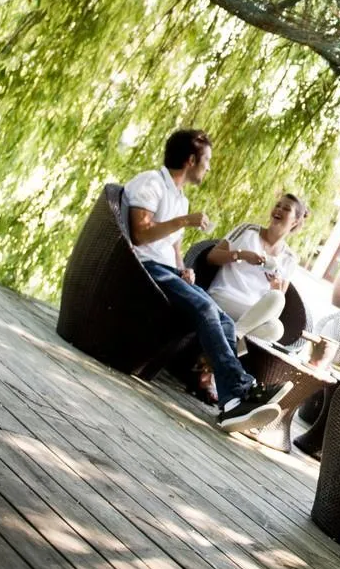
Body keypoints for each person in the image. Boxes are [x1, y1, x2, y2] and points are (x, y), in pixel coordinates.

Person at [123, 129, 291, 433]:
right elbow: (141, 234)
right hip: (144, 267)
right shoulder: (151, 183)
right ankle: (242, 391)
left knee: (225, 321)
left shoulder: (180, 198)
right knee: (206, 309)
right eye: (207, 160)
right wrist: (185, 221)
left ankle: (231, 404)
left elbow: (172, 246)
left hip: (168, 270)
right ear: (190, 160)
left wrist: (181, 267)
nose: (209, 167)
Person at [204, 193, 309, 347]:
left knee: (276, 328)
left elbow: (276, 303)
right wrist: (242, 255)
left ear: (295, 222)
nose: (278, 210)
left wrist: (275, 287)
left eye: (286, 209)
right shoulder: (248, 230)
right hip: (224, 295)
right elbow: (212, 257)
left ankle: (232, 337)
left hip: (253, 311)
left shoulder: (290, 258)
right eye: (278, 205)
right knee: (276, 306)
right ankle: (232, 341)